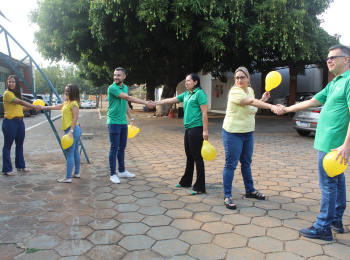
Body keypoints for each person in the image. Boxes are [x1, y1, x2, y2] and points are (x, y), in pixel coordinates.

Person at [275, 44, 350, 241]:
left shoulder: (349, 81)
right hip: (329, 142)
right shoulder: (334, 83)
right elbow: (312, 102)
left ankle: (323, 227)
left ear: (347, 59)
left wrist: (346, 145)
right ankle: (336, 221)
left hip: (334, 145)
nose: (329, 61)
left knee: (328, 184)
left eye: (334, 57)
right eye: (328, 58)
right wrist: (287, 109)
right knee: (337, 182)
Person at [222, 66, 277, 210]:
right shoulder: (235, 91)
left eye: (242, 77)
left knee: (246, 163)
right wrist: (270, 106)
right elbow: (252, 103)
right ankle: (227, 195)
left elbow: (252, 108)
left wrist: (262, 99)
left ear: (248, 78)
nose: (239, 80)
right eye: (237, 77)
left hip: (247, 133)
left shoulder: (250, 91)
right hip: (232, 133)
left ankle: (250, 190)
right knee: (231, 164)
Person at [156, 74, 208, 195]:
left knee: (197, 157)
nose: (186, 83)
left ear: (195, 82)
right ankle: (186, 181)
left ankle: (200, 186)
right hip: (188, 128)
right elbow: (171, 100)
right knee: (189, 155)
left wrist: (205, 131)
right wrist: (156, 102)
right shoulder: (186, 94)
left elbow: (204, 113)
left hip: (197, 128)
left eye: (188, 81)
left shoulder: (199, 93)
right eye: (186, 81)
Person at [108, 67, 154, 184]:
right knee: (114, 148)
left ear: (124, 76)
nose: (116, 77)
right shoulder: (112, 88)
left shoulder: (125, 87)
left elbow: (126, 104)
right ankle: (113, 174)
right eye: (115, 75)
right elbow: (128, 97)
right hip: (113, 122)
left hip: (123, 122)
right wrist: (145, 102)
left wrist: (131, 119)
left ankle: (122, 171)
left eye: (118, 75)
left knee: (122, 147)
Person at [2, 75, 41, 176]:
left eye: (13, 82)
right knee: (7, 145)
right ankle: (7, 169)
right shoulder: (7, 94)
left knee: (19, 145)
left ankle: (20, 166)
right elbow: (19, 102)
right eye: (9, 81)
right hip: (10, 122)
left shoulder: (17, 94)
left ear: (16, 84)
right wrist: (33, 106)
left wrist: (31, 107)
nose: (11, 83)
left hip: (19, 122)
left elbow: (20, 108)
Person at [42, 84, 82, 183]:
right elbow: (55, 107)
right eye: (65, 90)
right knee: (75, 152)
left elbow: (75, 118)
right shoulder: (66, 103)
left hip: (72, 130)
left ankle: (68, 177)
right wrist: (43, 107)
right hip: (73, 130)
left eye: (67, 91)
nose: (65, 92)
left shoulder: (74, 104)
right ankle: (76, 173)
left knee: (69, 154)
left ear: (72, 92)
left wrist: (71, 131)